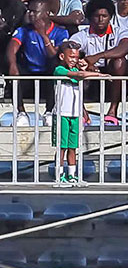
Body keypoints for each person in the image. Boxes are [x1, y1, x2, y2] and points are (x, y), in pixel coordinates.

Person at [53, 39, 108, 184]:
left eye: (76, 57)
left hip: (75, 114)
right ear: (62, 56)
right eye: (71, 57)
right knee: (62, 147)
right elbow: (80, 76)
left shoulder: (77, 70)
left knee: (73, 147)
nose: (74, 60)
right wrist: (100, 75)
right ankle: (59, 174)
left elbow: (82, 86)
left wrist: (83, 111)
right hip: (62, 113)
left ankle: (71, 174)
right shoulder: (59, 70)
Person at [7, 0, 70, 125]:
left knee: (57, 69)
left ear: (46, 13)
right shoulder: (24, 30)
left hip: (48, 73)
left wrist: (43, 35)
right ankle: (21, 113)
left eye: (35, 12)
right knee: (13, 71)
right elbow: (11, 48)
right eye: (29, 11)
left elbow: (54, 55)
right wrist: (12, 65)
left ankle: (49, 112)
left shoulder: (61, 32)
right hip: (29, 72)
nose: (30, 14)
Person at [73, 0, 128, 125]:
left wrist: (97, 57)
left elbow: (124, 48)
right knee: (71, 63)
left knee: (119, 62)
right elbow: (69, 47)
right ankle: (82, 112)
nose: (101, 19)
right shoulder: (82, 34)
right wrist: (86, 63)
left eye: (104, 16)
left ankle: (112, 111)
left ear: (110, 17)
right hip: (91, 80)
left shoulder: (120, 31)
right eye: (96, 16)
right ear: (90, 18)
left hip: (113, 80)